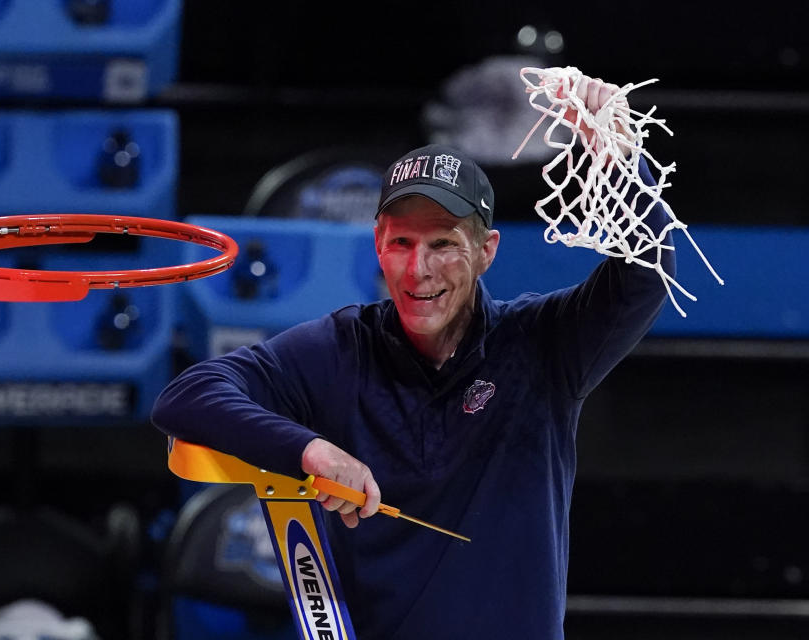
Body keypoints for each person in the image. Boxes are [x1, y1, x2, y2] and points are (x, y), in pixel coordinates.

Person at [152, 76, 674, 639]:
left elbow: (645, 278)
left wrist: (623, 162)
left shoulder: (542, 343)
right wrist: (311, 450)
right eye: (402, 243)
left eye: (443, 243)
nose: (418, 269)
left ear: (485, 252)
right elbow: (187, 397)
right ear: (377, 243)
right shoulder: (339, 347)